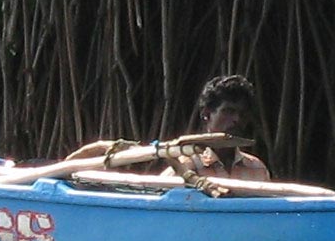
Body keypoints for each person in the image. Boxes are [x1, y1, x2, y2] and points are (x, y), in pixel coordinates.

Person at [55, 73, 273, 182]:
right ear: (207, 114)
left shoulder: (257, 169)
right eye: (228, 111)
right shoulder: (185, 165)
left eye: (242, 114)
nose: (236, 120)